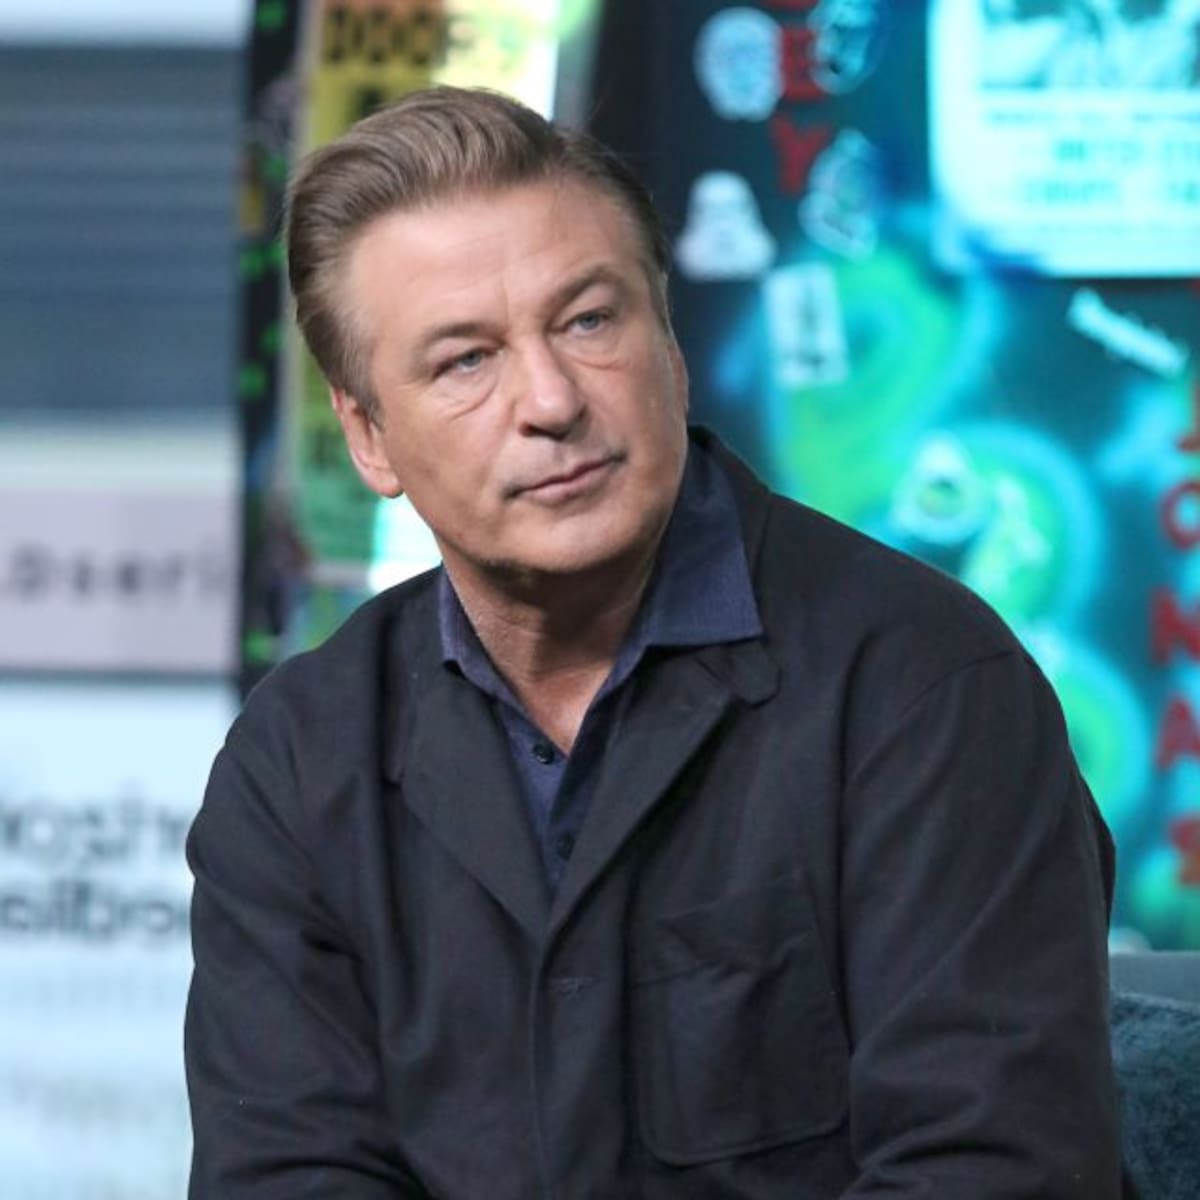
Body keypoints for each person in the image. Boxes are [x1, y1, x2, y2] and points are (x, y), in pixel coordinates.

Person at [184, 86, 1123, 1198]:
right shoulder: (300, 762)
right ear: (369, 437)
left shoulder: (924, 685)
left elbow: (993, 1171)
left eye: (589, 321)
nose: (549, 400)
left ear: (669, 346)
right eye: (465, 361)